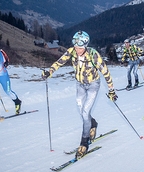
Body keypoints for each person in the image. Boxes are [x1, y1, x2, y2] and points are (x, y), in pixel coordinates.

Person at [41, 31, 117, 159]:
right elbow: (60, 62)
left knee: (85, 113)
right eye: (76, 47)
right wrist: (49, 72)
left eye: (80, 47)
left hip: (93, 85)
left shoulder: (93, 55)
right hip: (80, 85)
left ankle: (84, 142)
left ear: (85, 45)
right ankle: (93, 124)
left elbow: (105, 72)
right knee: (82, 111)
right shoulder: (71, 51)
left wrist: (111, 90)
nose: (77, 49)